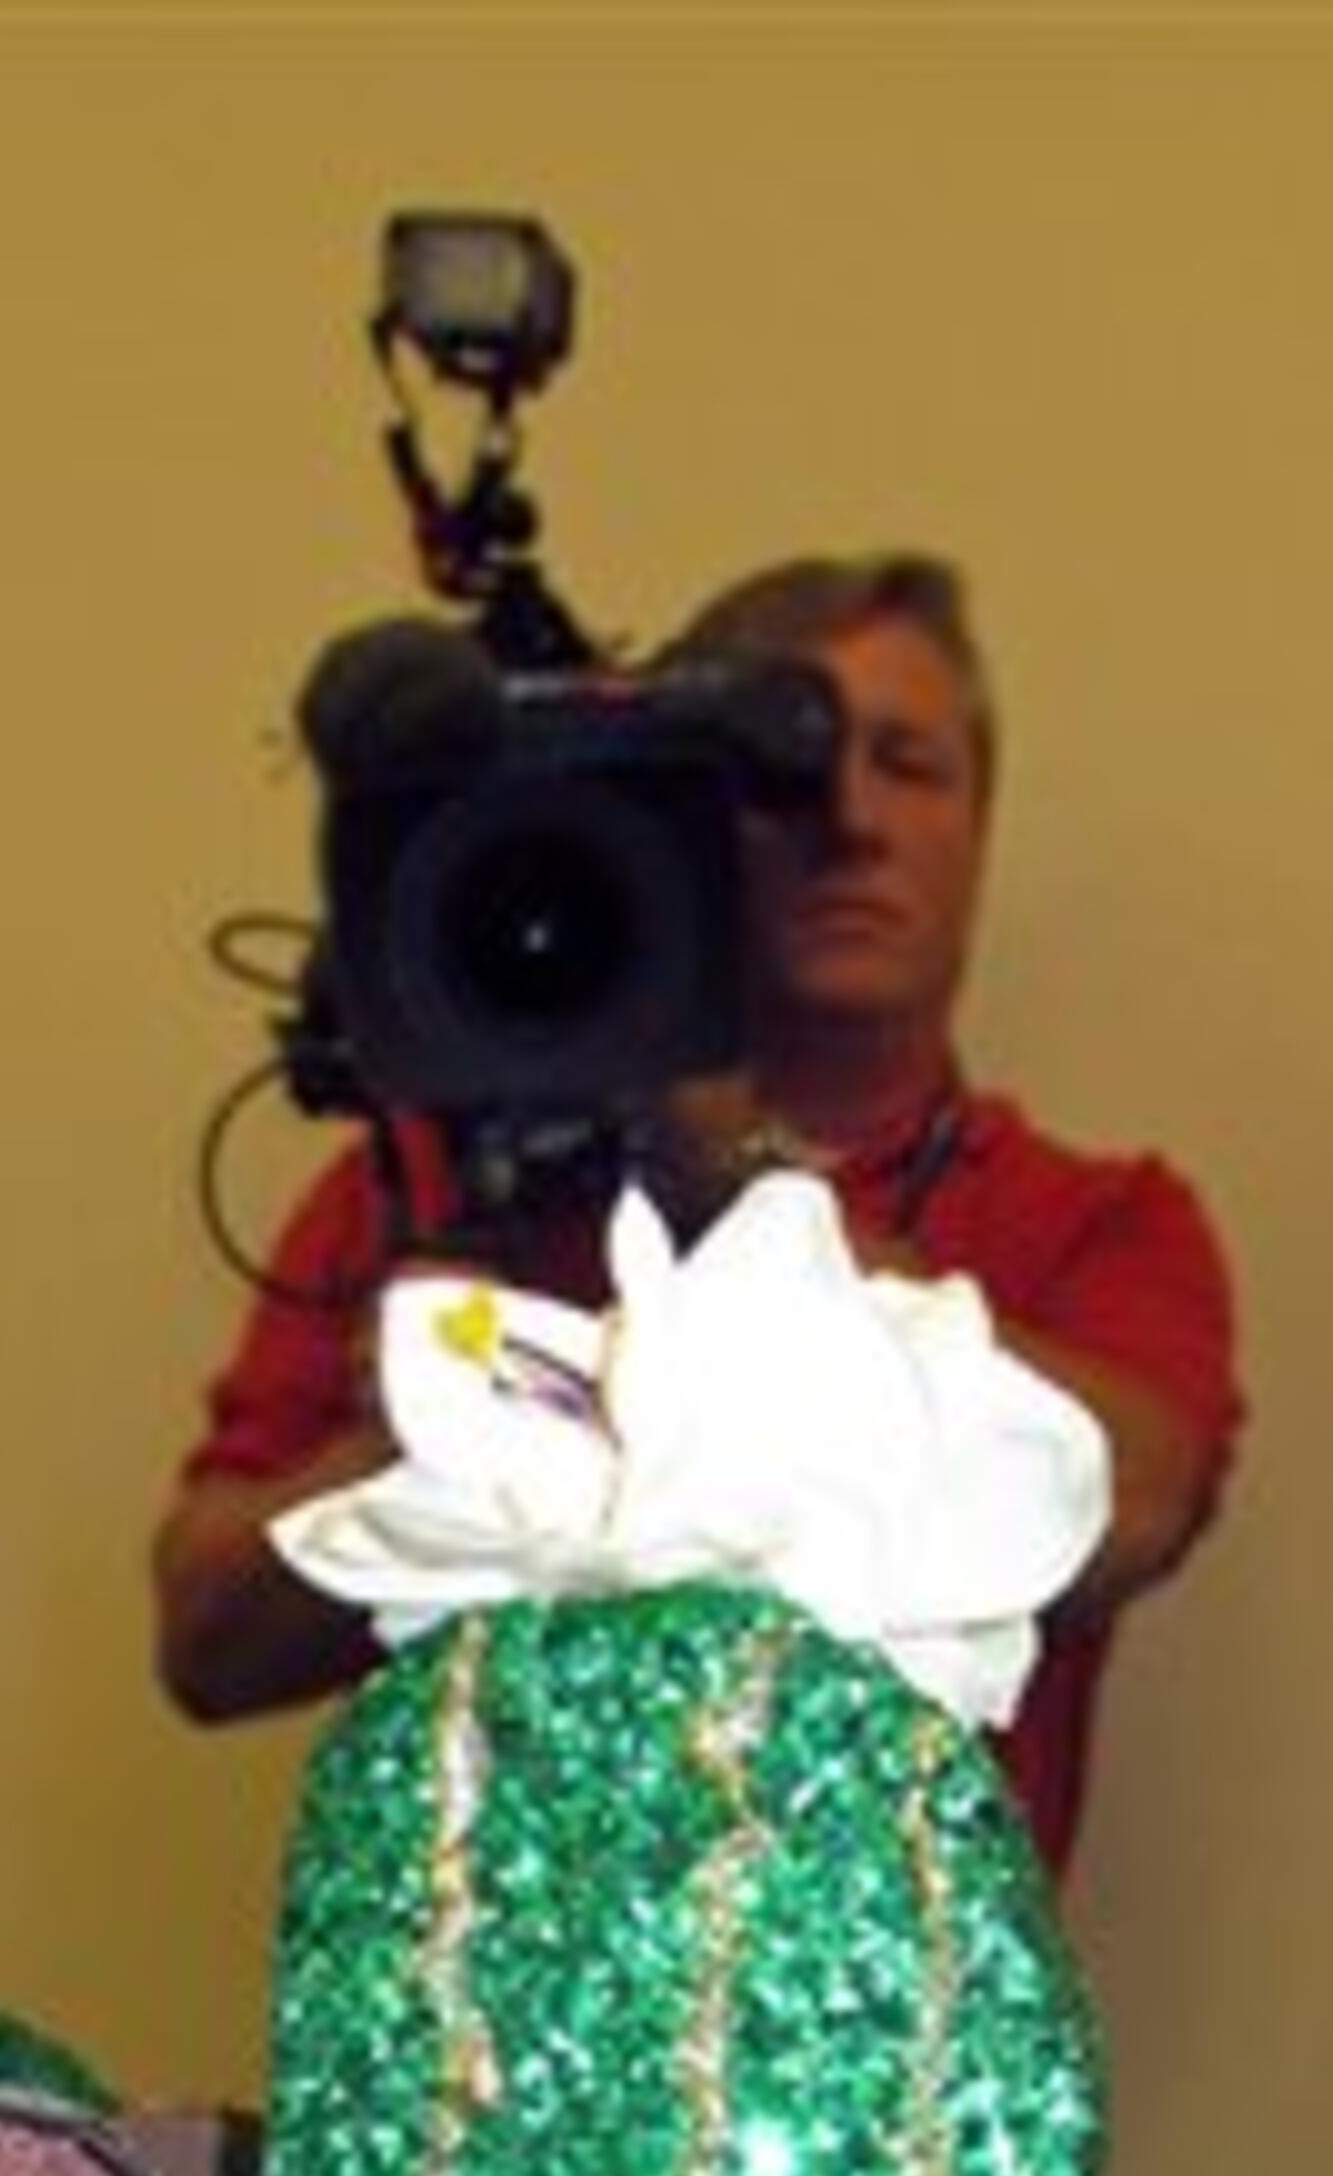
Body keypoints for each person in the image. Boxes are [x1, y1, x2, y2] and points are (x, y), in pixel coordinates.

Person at [153, 549, 1242, 1879]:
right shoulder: (437, 1188)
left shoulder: (1092, 1221)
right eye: (788, 779)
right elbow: (204, 1643)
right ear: (687, 833)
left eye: (906, 763)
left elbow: (1129, 1503)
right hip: (463, 2048)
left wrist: (732, 1171)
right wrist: (428, 1429)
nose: (849, 817)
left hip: (918, 2043)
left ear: (981, 822)